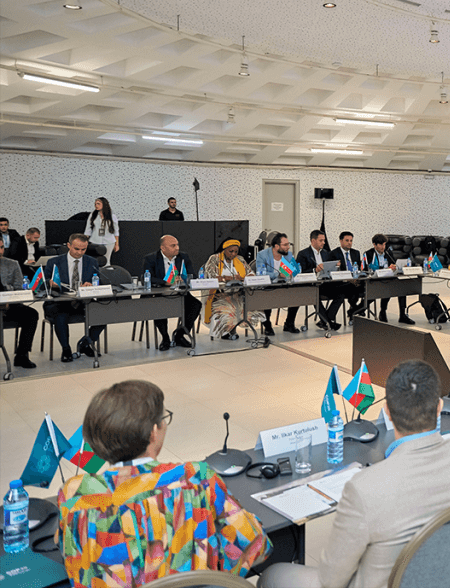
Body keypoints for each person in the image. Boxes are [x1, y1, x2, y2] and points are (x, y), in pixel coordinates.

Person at [258, 361, 450, 588]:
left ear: (387, 411)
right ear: (439, 407)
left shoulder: (364, 487)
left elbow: (331, 580)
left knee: (274, 574)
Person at [57, 380, 271, 586]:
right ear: (153, 432)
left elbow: (69, 550)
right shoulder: (195, 478)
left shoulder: (74, 494)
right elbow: (255, 544)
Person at [43, 234, 107, 363]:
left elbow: (98, 282)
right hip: (59, 302)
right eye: (76, 249)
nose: (79, 252)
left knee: (103, 313)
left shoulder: (92, 262)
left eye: (83, 249)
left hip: (82, 301)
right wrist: (50, 284)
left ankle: (86, 343)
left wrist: (91, 285)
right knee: (60, 316)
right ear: (69, 245)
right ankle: (66, 349)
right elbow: (42, 284)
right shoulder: (54, 262)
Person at [141, 235, 202, 351]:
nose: (177, 248)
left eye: (177, 245)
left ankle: (179, 335)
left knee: (196, 305)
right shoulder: (151, 258)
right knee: (158, 307)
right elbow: (146, 279)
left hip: (180, 293)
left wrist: (184, 279)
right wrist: (166, 282)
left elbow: (192, 275)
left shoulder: (183, 257)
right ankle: (165, 338)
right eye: (173, 245)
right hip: (159, 294)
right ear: (163, 248)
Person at [202, 239, 264, 338]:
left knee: (251, 305)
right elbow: (210, 276)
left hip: (238, 293)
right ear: (224, 250)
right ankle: (225, 331)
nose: (233, 254)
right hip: (218, 294)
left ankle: (234, 328)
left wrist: (243, 277)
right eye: (231, 251)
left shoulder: (240, 259)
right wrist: (225, 278)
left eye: (236, 251)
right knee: (228, 307)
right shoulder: (214, 258)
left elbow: (251, 273)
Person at [254, 233, 302, 336]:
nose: (288, 247)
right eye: (285, 245)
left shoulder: (288, 254)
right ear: (276, 246)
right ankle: (267, 325)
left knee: (297, 294)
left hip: (283, 285)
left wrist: (294, 271)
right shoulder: (262, 255)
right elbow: (260, 274)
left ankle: (289, 323)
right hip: (267, 287)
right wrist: (278, 274)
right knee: (267, 298)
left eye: (288, 244)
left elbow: (296, 269)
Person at [0, 241, 38, 368]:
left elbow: (18, 288)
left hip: (9, 304)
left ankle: (22, 355)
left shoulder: (12, 264)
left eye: (1, 247)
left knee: (32, 314)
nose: (0, 251)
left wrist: (7, 298)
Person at [297, 230, 343, 331]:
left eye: (324, 240)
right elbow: (300, 273)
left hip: (324, 284)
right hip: (310, 285)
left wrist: (335, 266)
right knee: (315, 295)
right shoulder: (303, 254)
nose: (323, 243)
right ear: (313, 241)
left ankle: (326, 320)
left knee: (341, 294)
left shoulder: (326, 253)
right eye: (321, 240)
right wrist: (315, 270)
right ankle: (327, 322)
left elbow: (328, 269)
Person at [364, 234, 415, 325]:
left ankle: (402, 315)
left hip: (388, 277)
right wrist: (384, 269)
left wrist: (394, 267)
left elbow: (393, 263)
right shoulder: (368, 254)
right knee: (387, 288)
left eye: (384, 244)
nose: (383, 247)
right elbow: (367, 269)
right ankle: (382, 311)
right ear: (374, 244)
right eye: (381, 245)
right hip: (375, 279)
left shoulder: (388, 252)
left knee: (401, 288)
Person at [329, 231, 365, 321]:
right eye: (347, 240)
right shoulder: (333, 254)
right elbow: (332, 272)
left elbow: (359, 268)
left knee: (370, 288)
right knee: (352, 287)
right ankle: (356, 309)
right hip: (342, 283)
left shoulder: (356, 253)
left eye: (351, 241)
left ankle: (356, 309)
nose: (349, 243)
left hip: (355, 280)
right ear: (341, 241)